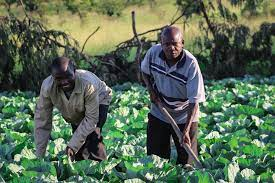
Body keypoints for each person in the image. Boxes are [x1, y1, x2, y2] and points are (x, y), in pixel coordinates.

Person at [141, 26, 206, 165]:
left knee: (187, 161)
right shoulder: (153, 53)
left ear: (182, 43)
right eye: (167, 44)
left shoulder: (191, 64)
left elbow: (194, 102)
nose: (171, 48)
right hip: (160, 111)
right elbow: (144, 71)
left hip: (185, 116)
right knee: (156, 159)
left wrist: (186, 131)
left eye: (175, 44)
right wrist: (151, 90)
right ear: (161, 44)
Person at [34, 56, 112, 161]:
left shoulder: (88, 84)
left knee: (93, 135)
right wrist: (39, 156)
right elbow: (42, 121)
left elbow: (91, 119)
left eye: (68, 76)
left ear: (74, 72)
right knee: (79, 145)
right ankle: (81, 170)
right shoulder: (47, 87)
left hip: (100, 98)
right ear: (52, 77)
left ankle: (101, 169)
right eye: (59, 79)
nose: (64, 82)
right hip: (75, 107)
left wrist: (72, 145)